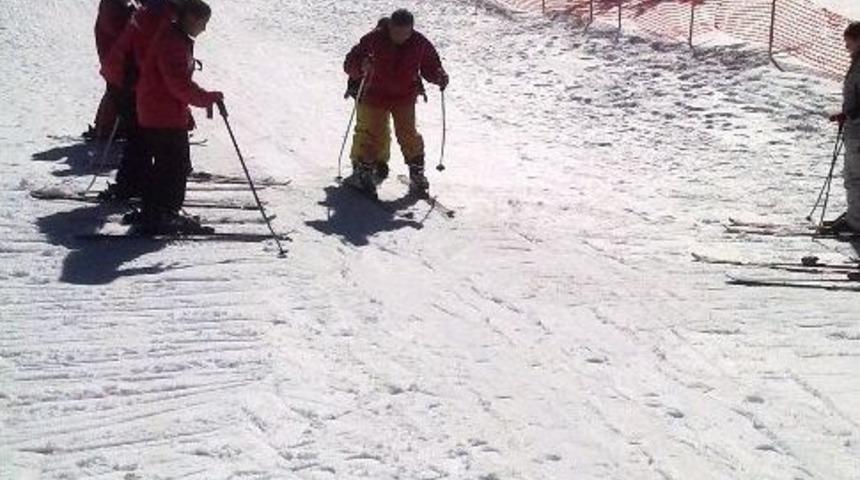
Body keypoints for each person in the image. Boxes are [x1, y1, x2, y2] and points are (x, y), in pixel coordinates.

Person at [133, 0, 223, 233]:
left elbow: (176, 82)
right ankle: (165, 213)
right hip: (162, 112)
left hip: (158, 109)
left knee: (165, 164)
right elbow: (178, 84)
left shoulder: (174, 36)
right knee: (175, 166)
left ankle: (153, 211)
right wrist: (206, 98)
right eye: (203, 23)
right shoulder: (173, 42)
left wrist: (199, 100)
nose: (204, 29)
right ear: (191, 18)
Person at [343, 9, 449, 198]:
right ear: (389, 27)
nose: (400, 37)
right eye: (396, 32)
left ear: (411, 30)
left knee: (408, 135)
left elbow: (430, 65)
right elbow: (350, 62)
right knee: (370, 133)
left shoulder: (419, 43)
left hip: (404, 97)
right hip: (374, 95)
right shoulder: (373, 39)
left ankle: (416, 172)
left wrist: (438, 76)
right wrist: (361, 65)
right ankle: (363, 171)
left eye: (405, 33)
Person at [98, 0, 186, 202]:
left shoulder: (154, 13)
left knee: (140, 135)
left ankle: (133, 184)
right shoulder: (157, 18)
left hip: (124, 77)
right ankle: (136, 188)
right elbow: (146, 58)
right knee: (141, 135)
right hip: (127, 80)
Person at [827, 22, 860, 234]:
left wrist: (851, 114)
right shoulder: (857, 62)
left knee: (855, 177)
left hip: (858, 131)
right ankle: (855, 214)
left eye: (849, 41)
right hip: (854, 128)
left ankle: (856, 221)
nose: (846, 46)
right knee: (853, 176)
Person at [88, 0, 134, 141]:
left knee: (117, 92)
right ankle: (106, 128)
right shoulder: (112, 6)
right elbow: (118, 30)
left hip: (116, 59)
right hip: (117, 60)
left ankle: (108, 127)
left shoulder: (116, 6)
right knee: (118, 92)